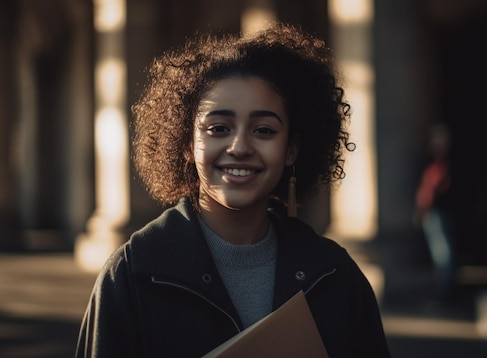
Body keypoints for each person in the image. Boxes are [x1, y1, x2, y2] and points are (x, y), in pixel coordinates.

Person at [76, 23, 390, 357]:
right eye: (219, 128)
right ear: (187, 143)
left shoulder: (335, 275)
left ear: (292, 149)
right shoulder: (132, 274)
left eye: (264, 130)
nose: (239, 147)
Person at [414, 123, 457, 299]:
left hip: (442, 212)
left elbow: (443, 190)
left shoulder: (450, 164)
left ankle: (446, 291)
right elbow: (425, 190)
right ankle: (442, 288)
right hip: (432, 214)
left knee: (444, 254)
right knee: (439, 253)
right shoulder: (430, 163)